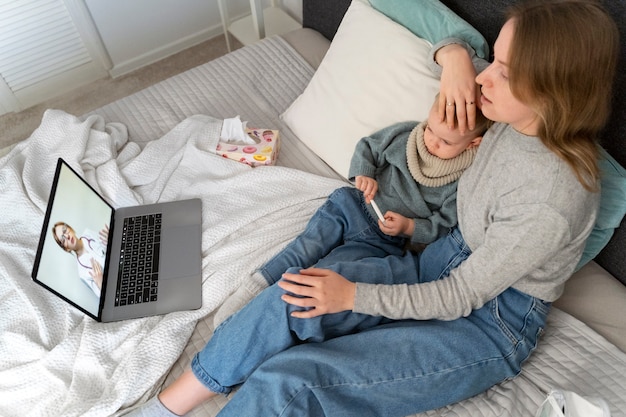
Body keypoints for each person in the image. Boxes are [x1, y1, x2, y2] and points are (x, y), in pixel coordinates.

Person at [125, 1, 619, 416]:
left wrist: (352, 297)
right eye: (492, 60)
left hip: (486, 324)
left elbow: (460, 296)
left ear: (554, 92)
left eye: (503, 72)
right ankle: (163, 410)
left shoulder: (553, 198)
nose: (484, 78)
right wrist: (456, 60)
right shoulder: (508, 116)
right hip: (437, 263)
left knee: (294, 381)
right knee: (292, 295)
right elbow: (420, 15)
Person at [213, 94, 489, 325]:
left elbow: (444, 223)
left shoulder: (462, 181)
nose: (432, 141)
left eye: (445, 141)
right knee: (307, 246)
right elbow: (368, 148)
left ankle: (267, 308)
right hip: (353, 206)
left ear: (473, 143)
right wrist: (364, 174)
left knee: (330, 271)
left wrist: (409, 227)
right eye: (430, 128)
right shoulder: (406, 136)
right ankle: (257, 285)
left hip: (383, 239)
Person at [52, 221, 109, 297]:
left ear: (71, 229)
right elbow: (104, 297)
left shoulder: (89, 233)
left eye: (65, 230)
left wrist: (112, 239)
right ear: (66, 249)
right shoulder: (82, 273)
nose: (67, 236)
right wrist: (100, 284)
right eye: (63, 239)